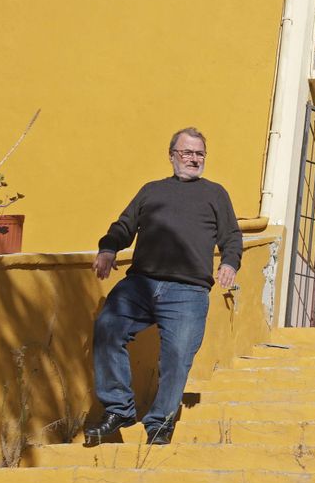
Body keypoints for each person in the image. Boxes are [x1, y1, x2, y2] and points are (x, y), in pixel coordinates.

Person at [83, 127, 242, 446]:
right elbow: (124, 225)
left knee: (177, 355)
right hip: (140, 284)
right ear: (172, 156)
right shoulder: (151, 191)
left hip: (188, 291)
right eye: (187, 152)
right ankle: (119, 408)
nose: (194, 159)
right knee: (108, 327)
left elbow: (232, 236)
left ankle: (160, 422)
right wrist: (108, 247)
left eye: (199, 153)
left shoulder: (215, 194)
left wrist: (229, 263)